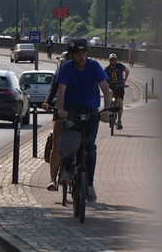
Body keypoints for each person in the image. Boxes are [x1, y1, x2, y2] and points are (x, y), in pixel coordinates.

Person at [54, 38, 111, 202]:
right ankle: (66, 169)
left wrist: (105, 111)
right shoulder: (66, 68)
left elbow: (106, 90)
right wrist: (61, 110)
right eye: (78, 54)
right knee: (69, 139)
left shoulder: (93, 66)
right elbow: (61, 92)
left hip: (90, 110)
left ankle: (89, 185)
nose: (81, 57)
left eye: (84, 53)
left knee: (90, 146)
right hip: (71, 109)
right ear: (71, 55)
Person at [42, 51, 70, 191]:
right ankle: (53, 179)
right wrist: (47, 102)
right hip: (60, 110)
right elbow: (53, 89)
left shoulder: (81, 72)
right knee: (56, 143)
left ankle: (82, 172)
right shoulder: (59, 73)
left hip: (77, 110)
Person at [104, 53, 130, 130]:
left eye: (115, 59)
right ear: (109, 60)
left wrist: (125, 80)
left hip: (119, 87)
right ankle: (108, 113)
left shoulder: (120, 66)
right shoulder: (107, 69)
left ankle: (119, 121)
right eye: (112, 59)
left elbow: (127, 71)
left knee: (120, 104)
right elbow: (103, 77)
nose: (113, 61)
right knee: (108, 98)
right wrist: (106, 85)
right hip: (111, 87)